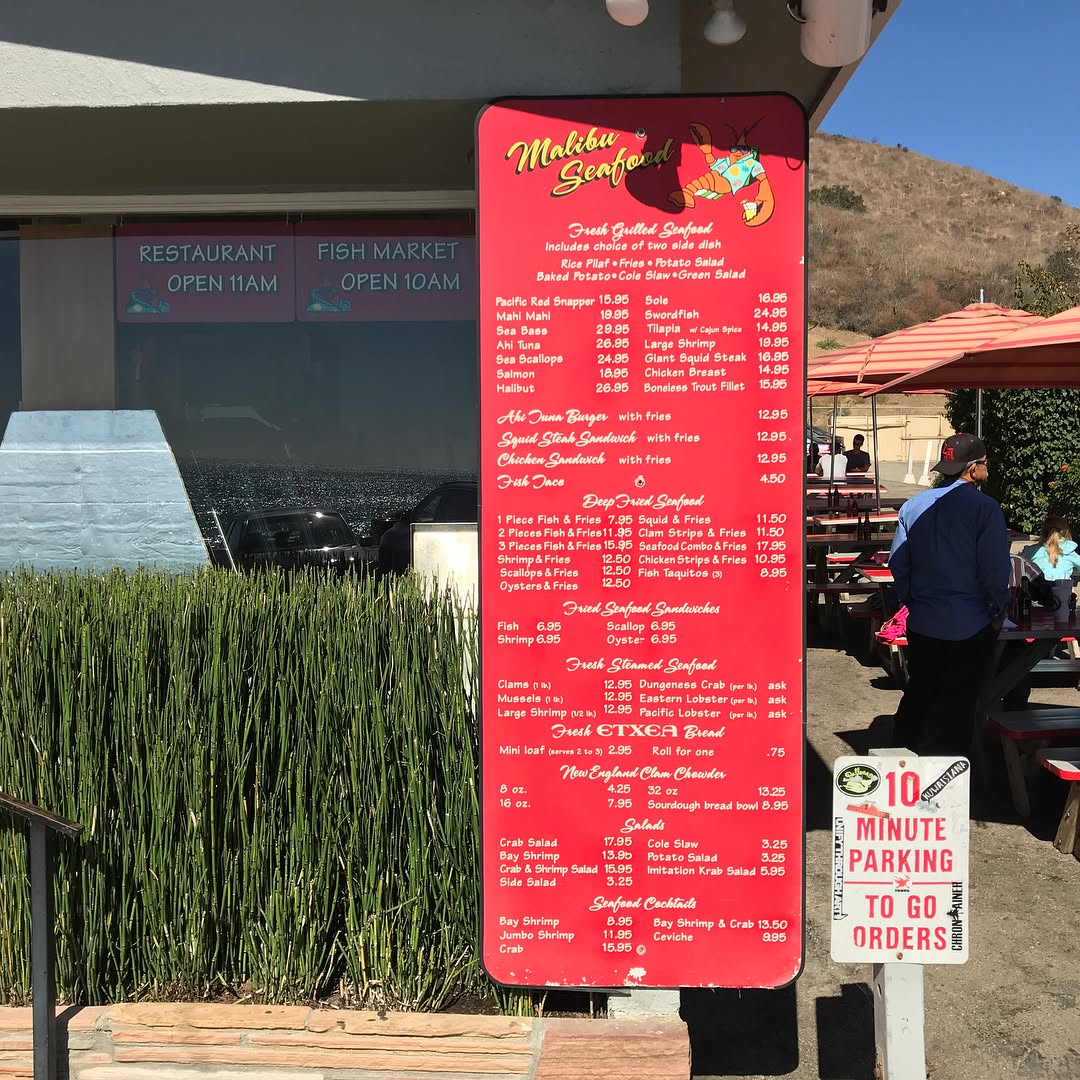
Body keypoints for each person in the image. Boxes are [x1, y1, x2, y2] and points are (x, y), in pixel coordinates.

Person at [888, 433, 1011, 756]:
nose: (987, 469)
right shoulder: (985, 509)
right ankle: (948, 775)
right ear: (972, 469)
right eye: (984, 464)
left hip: (924, 618)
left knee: (921, 689)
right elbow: (995, 571)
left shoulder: (913, 505)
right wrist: (998, 612)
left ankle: (902, 759)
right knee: (958, 701)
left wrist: (910, 600)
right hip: (970, 622)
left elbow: (898, 562)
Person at [1030, 514, 1080, 581]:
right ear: (1066, 532)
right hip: (1062, 589)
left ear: (1043, 532)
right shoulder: (1070, 552)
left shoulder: (1032, 551)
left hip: (1037, 589)